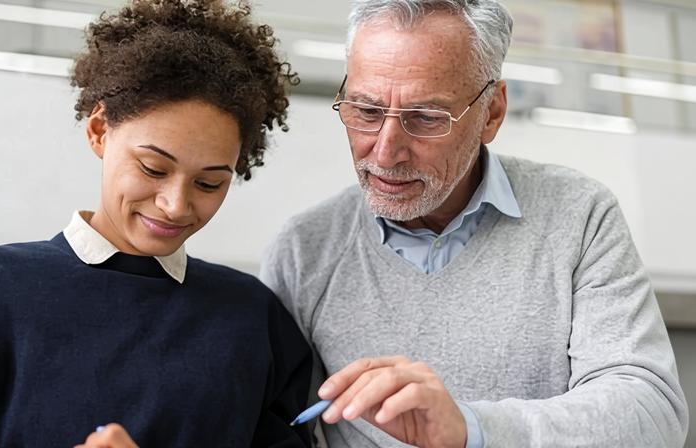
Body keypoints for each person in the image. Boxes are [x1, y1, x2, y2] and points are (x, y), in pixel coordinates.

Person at [260, 0, 689, 447]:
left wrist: (470, 430)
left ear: (492, 113)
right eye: (366, 112)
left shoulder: (579, 216)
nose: (385, 153)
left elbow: (650, 412)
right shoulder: (304, 250)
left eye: (426, 118)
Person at [0, 1, 312, 447]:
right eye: (154, 169)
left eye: (209, 183)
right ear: (99, 130)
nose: (176, 205)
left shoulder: (253, 317)